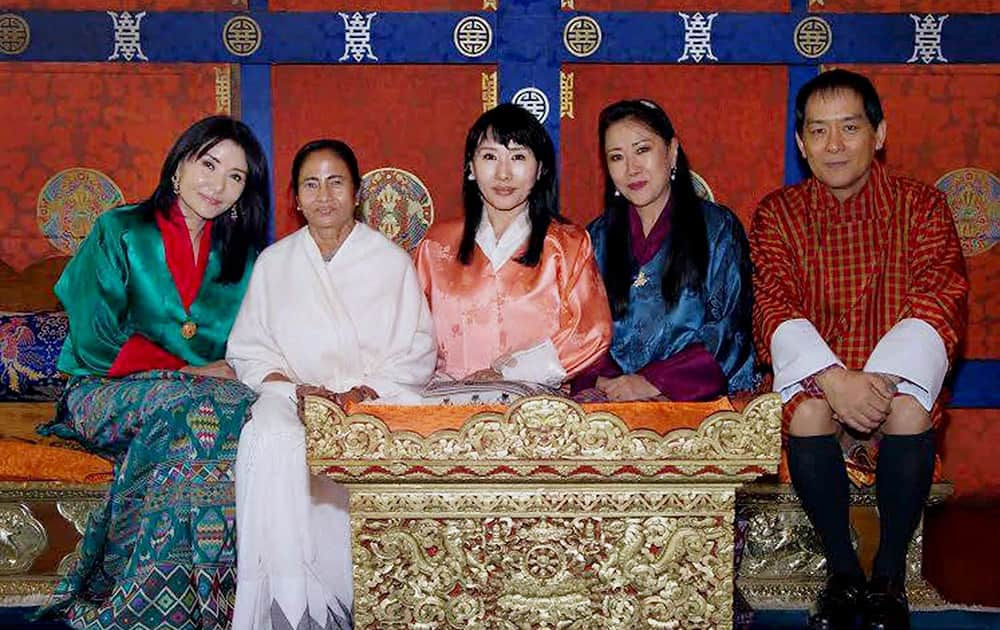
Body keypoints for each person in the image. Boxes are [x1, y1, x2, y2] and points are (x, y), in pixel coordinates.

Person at [750, 69, 968, 630]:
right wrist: (833, 378)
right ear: (801, 143)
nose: (835, 145)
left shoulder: (921, 207)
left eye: (850, 127)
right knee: (812, 415)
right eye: (818, 132)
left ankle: (888, 576)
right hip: (818, 386)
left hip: (891, 383)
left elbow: (940, 298)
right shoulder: (777, 214)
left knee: (909, 410)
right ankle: (843, 574)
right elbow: (771, 303)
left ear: (880, 133)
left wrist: (880, 381)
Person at [37, 115, 270, 629]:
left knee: (234, 410)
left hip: (196, 403)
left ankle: (208, 603)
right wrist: (188, 370)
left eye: (236, 177)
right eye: (209, 164)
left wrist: (219, 374)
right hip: (101, 389)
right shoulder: (119, 231)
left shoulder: (245, 259)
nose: (218, 184)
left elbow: (251, 347)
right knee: (198, 406)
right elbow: (96, 339)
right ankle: (146, 598)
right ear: (180, 163)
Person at [226, 139, 436, 629]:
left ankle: (369, 601)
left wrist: (362, 393)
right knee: (270, 436)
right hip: (294, 396)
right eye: (311, 185)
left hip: (374, 398)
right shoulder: (275, 263)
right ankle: (291, 605)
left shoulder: (389, 261)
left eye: (336, 182)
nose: (324, 196)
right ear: (295, 198)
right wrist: (297, 391)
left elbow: (418, 349)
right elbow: (250, 348)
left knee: (364, 442)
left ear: (357, 192)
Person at [414, 103, 611, 388]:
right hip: (449, 408)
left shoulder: (568, 245)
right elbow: (411, 334)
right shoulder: (436, 246)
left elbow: (592, 331)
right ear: (471, 166)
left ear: (541, 168)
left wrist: (512, 373)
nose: (503, 174)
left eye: (518, 157)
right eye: (490, 157)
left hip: (537, 414)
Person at [572, 99, 756, 402]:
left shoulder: (717, 228)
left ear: (672, 151)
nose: (632, 168)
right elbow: (584, 330)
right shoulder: (597, 238)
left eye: (643, 150)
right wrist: (605, 380)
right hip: (615, 396)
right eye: (617, 157)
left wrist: (653, 382)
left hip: (696, 396)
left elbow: (728, 330)